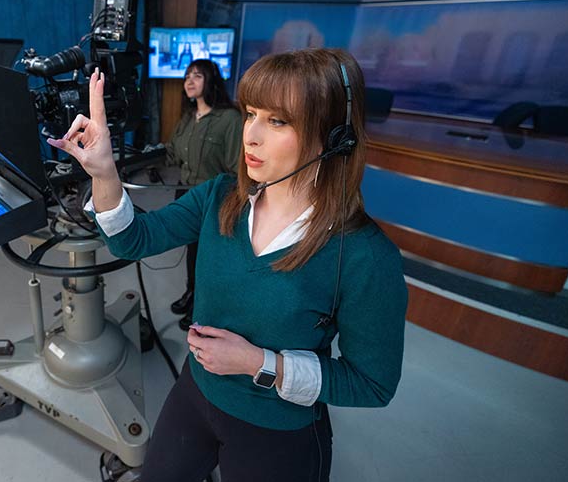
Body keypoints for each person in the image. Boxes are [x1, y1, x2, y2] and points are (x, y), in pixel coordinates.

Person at [48, 48, 408, 482]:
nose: (250, 136)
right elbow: (130, 239)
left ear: (334, 137)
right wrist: (104, 173)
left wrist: (259, 362)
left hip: (278, 429)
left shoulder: (365, 257)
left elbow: (372, 384)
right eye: (250, 113)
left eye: (278, 121)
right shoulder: (219, 196)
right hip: (196, 394)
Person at [165, 59, 242, 330]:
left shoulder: (230, 119)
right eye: (187, 76)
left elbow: (236, 167)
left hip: (213, 200)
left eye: (197, 76)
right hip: (185, 195)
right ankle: (190, 292)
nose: (189, 81)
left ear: (210, 81)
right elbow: (172, 153)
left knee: (207, 255)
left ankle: (201, 303)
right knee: (191, 249)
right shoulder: (188, 118)